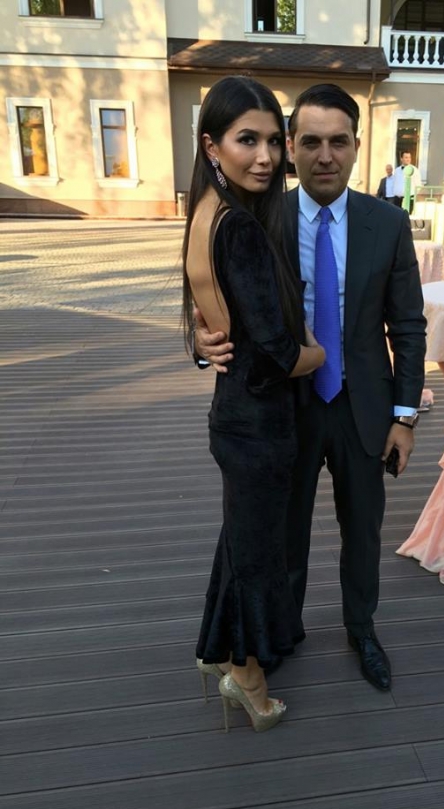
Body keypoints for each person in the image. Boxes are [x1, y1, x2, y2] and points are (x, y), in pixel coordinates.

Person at [195, 83, 426, 692]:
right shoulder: (259, 217)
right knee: (284, 533)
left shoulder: (388, 224)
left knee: (363, 531)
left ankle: (362, 629)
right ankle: (282, 630)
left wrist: (404, 418)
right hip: (284, 409)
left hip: (362, 407)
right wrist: (201, 342)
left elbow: (407, 326)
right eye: (311, 142)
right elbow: (220, 305)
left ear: (356, 147)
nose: (326, 156)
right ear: (292, 146)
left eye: (339, 142)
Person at [184, 76, 325, 732]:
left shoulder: (205, 210)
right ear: (212, 145)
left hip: (233, 414)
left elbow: (216, 320)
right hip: (261, 421)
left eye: (274, 140)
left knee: (239, 545)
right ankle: (247, 679)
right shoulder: (239, 226)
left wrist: (204, 343)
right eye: (248, 140)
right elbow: (276, 351)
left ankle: (216, 650)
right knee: (259, 554)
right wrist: (317, 354)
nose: (266, 157)